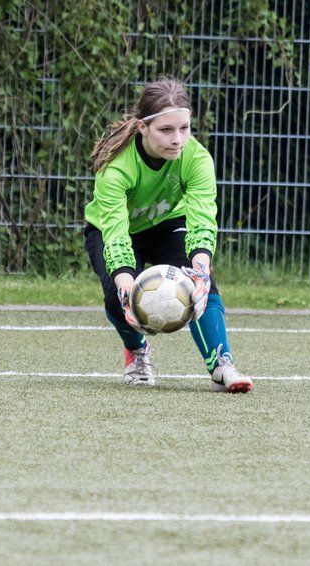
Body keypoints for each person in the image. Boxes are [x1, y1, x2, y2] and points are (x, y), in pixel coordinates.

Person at [83, 77, 253, 392]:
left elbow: (202, 219)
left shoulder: (197, 159)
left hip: (167, 224)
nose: (177, 139)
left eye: (184, 128)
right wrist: (124, 287)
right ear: (142, 128)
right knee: (115, 296)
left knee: (204, 287)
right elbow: (116, 232)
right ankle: (136, 351)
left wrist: (201, 270)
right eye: (166, 130)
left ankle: (221, 365)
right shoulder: (116, 168)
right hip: (113, 230)